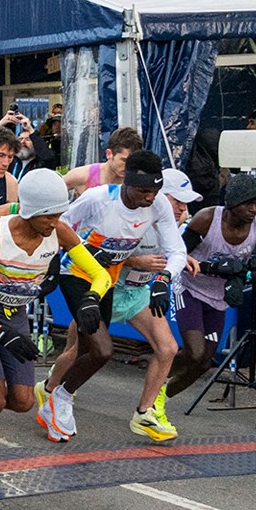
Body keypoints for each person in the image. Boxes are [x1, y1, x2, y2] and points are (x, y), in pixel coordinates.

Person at [0, 170, 109, 496]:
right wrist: (0, 333)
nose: (55, 220)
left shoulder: (60, 232)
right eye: (49, 214)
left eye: (59, 213)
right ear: (30, 211)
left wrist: (92, 299)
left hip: (16, 315)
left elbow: (100, 274)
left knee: (21, 401)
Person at [39, 150, 187, 443]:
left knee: (85, 350)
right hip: (77, 275)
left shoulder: (158, 206)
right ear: (127, 184)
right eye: (143, 191)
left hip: (106, 278)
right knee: (103, 350)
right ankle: (60, 398)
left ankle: (51, 390)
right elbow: (57, 225)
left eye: (155, 191)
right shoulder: (99, 199)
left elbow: (177, 250)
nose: (150, 198)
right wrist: (74, 253)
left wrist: (164, 278)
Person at [165, 172, 256, 400]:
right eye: (248, 203)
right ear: (233, 202)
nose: (254, 209)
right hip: (190, 289)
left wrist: (243, 274)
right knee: (195, 352)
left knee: (204, 363)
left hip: (218, 299)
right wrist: (212, 267)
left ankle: (160, 399)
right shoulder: (207, 218)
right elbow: (178, 254)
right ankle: (156, 381)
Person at [64, 126, 143, 198]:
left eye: (133, 161)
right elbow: (53, 191)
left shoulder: (136, 182)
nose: (128, 166)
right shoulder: (81, 176)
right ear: (109, 154)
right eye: (124, 160)